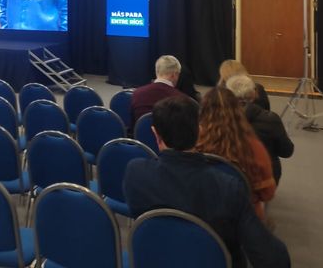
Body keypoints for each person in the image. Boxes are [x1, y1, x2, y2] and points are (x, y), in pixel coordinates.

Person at [123, 96, 290, 268]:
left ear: (155, 133)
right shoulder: (229, 187)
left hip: (155, 259)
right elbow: (271, 259)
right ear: (199, 131)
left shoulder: (135, 173)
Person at [197, 87, 276, 221]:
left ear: (202, 110)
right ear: (238, 110)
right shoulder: (253, 147)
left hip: (201, 213)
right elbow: (267, 193)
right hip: (241, 218)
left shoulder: (193, 141)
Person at [227, 75, 294, 184]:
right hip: (261, 180)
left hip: (225, 176)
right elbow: (287, 151)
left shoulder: (216, 117)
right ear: (254, 95)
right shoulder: (271, 119)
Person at [130, 55, 189, 125]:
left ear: (157, 72)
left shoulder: (137, 93)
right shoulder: (181, 99)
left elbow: (133, 125)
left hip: (140, 135)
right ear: (174, 75)